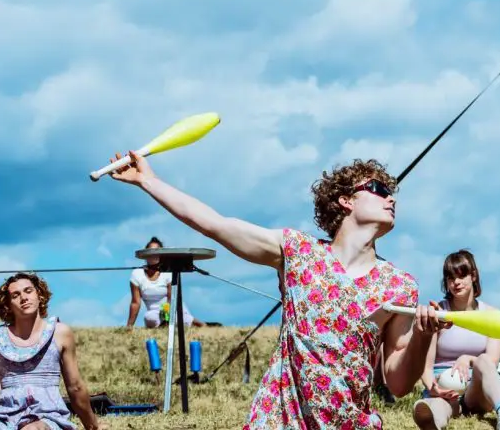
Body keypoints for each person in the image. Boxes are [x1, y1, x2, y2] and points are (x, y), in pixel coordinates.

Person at [105, 151, 444, 429]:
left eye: (391, 192)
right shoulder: (298, 251)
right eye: (377, 188)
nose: (390, 197)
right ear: (345, 200)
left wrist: (424, 336)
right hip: (280, 420)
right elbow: (213, 224)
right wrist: (147, 180)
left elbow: (398, 384)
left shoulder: (398, 285)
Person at [0, 273, 107, 430]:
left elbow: (75, 386)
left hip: (46, 416)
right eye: (16, 295)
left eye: (28, 291)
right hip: (4, 417)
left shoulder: (60, 333)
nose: (24, 298)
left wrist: (93, 426)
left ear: (39, 295)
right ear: (8, 304)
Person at [412, 250, 500, 430]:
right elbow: (426, 365)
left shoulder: (492, 315)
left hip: (475, 389)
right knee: (438, 405)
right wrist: (433, 386)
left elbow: (491, 362)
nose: (456, 282)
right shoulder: (438, 314)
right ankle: (432, 416)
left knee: (483, 360)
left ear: (473, 276)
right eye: (451, 278)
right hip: (444, 385)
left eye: (462, 275)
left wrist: (467, 358)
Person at [125, 237, 206, 328]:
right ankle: (165, 325)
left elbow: (172, 298)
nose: (153, 255)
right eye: (151, 252)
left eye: (157, 252)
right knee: (149, 318)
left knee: (183, 319)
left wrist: (167, 316)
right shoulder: (137, 274)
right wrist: (129, 326)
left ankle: (201, 325)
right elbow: (135, 302)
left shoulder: (168, 272)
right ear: (146, 255)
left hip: (172, 308)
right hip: (154, 313)